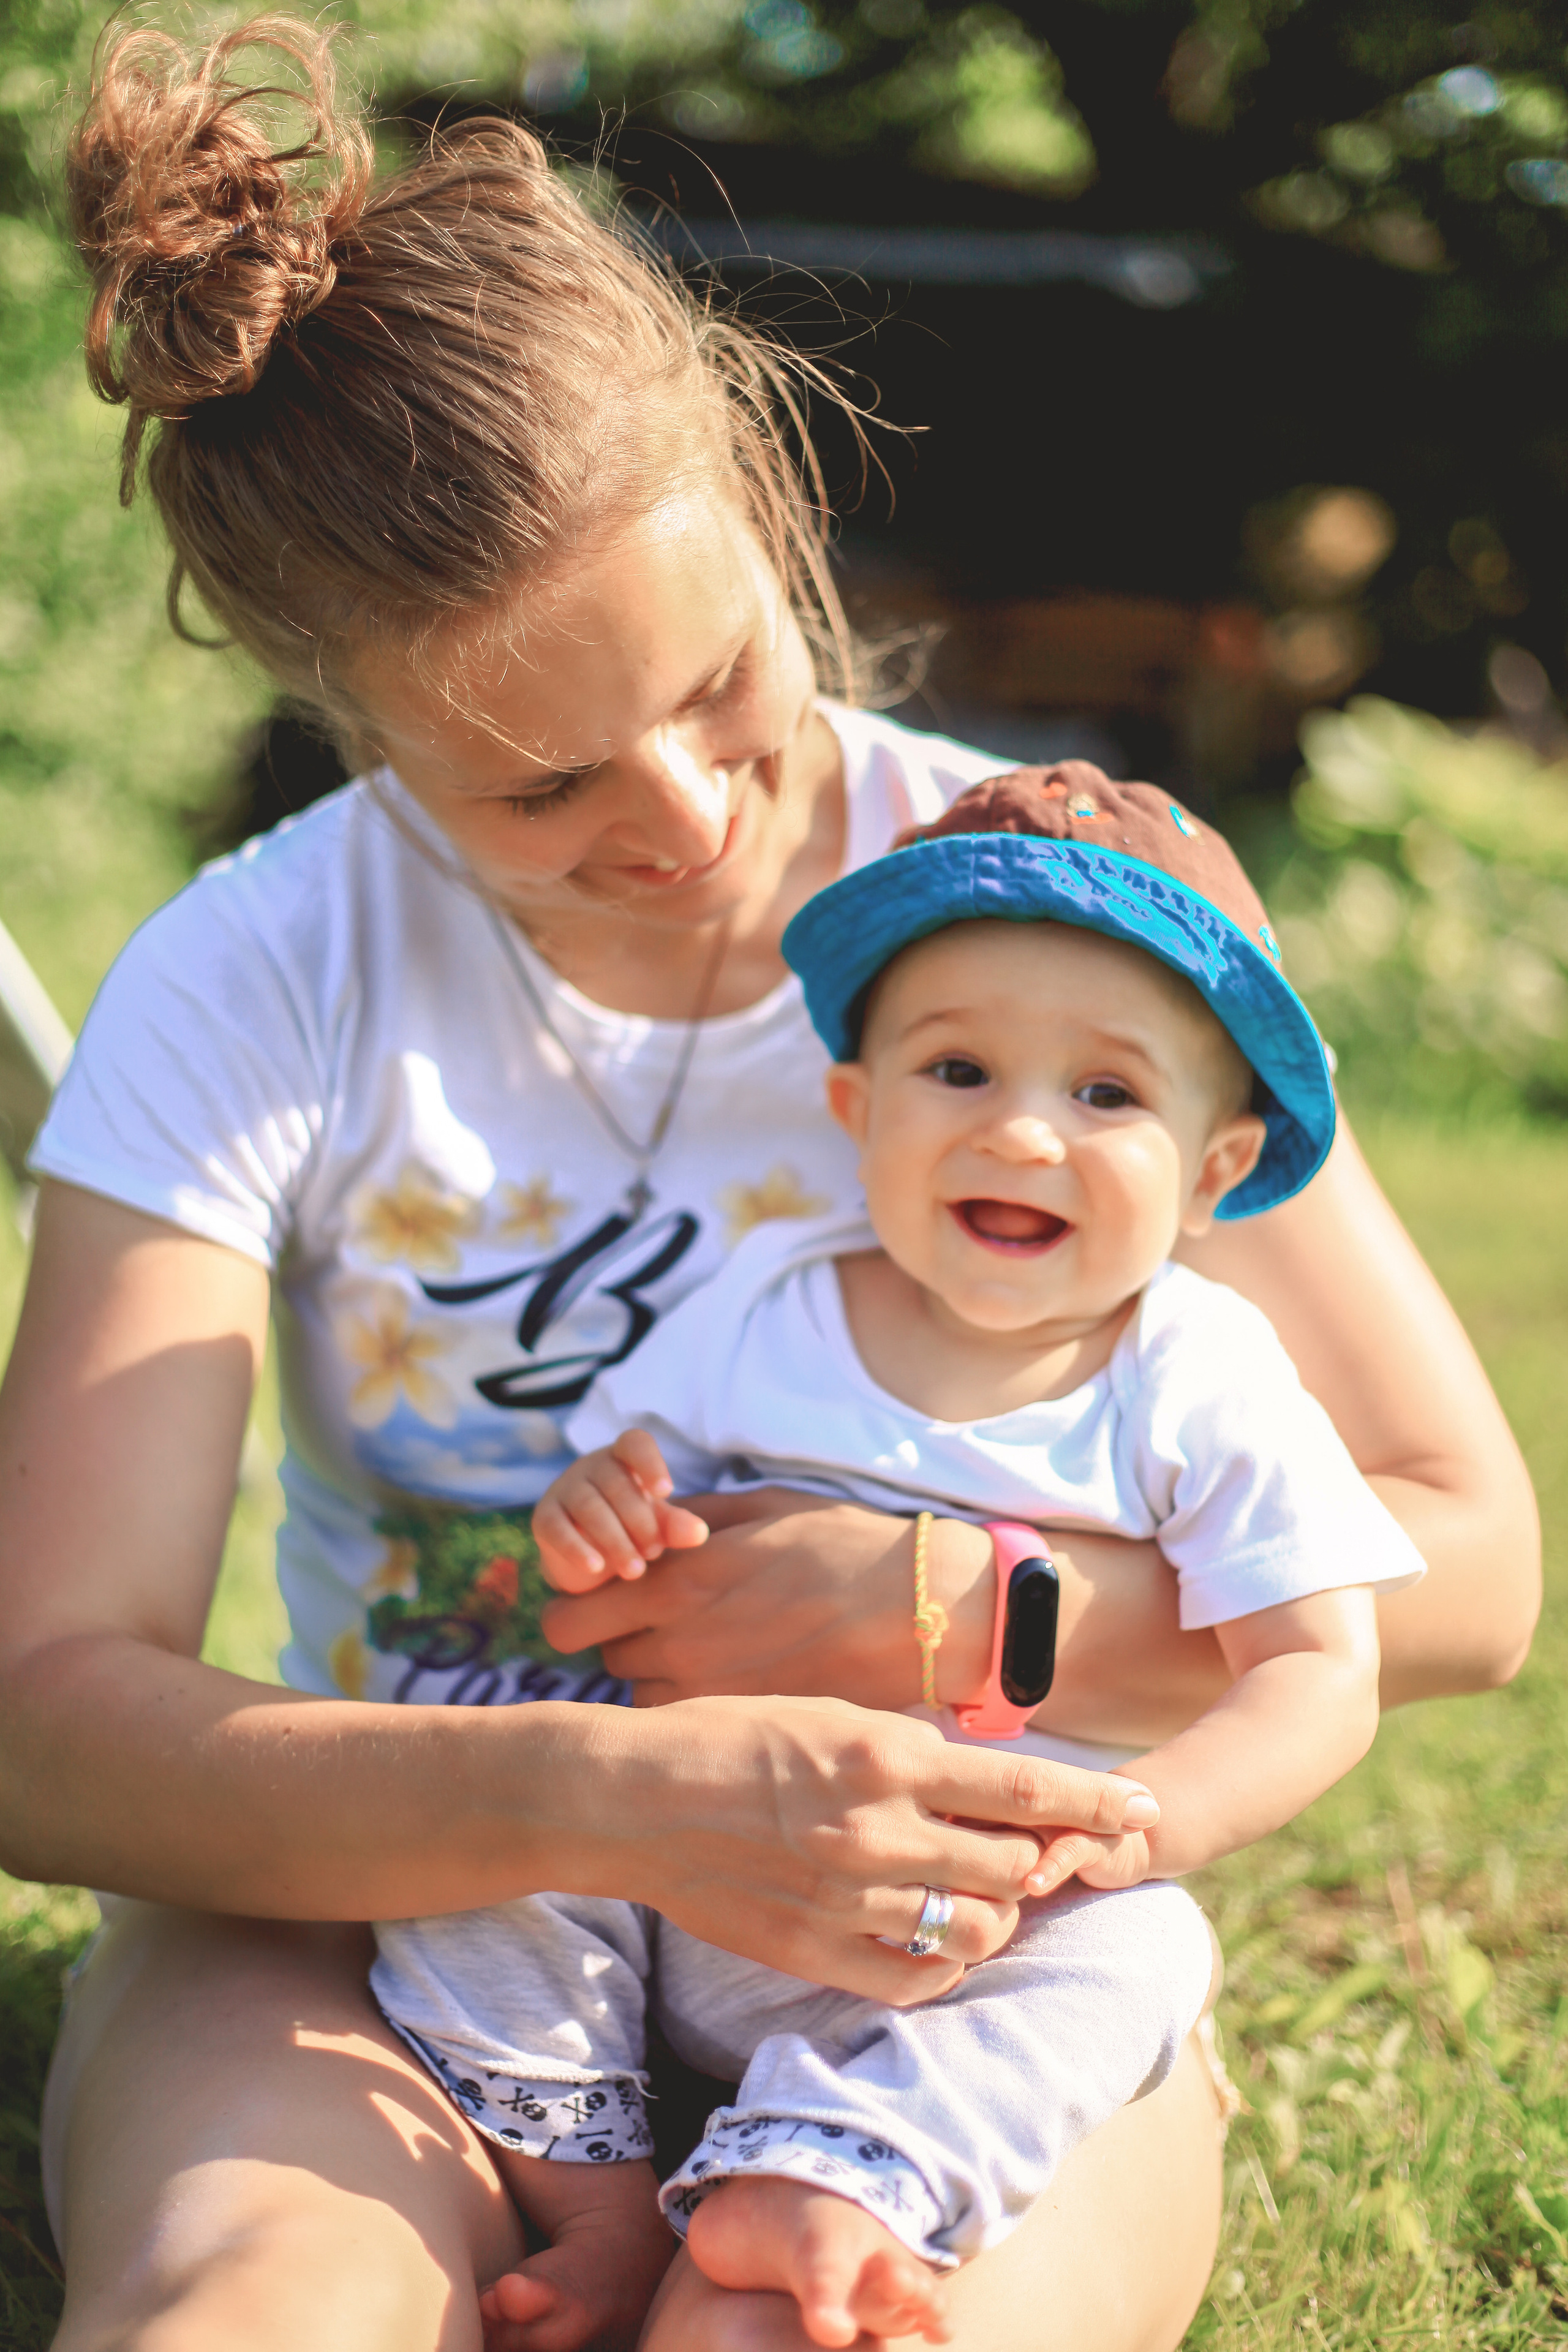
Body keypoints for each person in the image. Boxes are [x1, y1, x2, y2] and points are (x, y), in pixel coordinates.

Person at [0, 15, 1536, 2352]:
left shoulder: (1060, 927)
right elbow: (45, 1717)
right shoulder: (259, 971)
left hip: (966, 1949)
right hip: (394, 1901)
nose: (688, 821)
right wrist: (604, 1799)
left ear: (770, 492)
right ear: (344, 715)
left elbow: (1469, 1557)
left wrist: (954, 1616)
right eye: (537, 788)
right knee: (263, 2301)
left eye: (722, 682)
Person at [374, 771, 1425, 2350]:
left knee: (1146, 1952)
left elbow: (1321, 1670)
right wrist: (599, 1513)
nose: (1020, 1128)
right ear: (858, 1108)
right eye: (958, 1068)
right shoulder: (765, 1301)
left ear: (1217, 1171)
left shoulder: (1198, 1374)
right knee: (485, 1807)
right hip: (687, 1856)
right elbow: (614, 1556)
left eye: (1108, 1093)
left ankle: (845, 2173)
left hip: (972, 1916)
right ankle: (592, 2206)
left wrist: (1143, 1828)